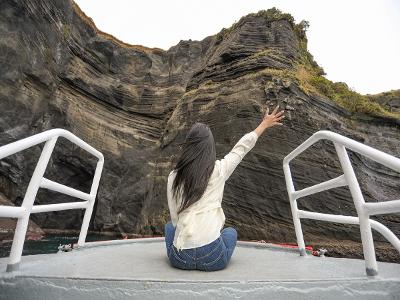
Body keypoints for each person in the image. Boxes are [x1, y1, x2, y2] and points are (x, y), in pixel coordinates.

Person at [165, 105, 285, 271]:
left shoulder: (173, 176)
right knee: (230, 232)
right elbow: (241, 148)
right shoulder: (219, 170)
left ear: (188, 146)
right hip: (212, 257)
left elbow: (175, 217)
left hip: (180, 259)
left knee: (169, 227)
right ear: (209, 148)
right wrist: (263, 124)